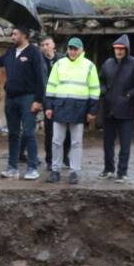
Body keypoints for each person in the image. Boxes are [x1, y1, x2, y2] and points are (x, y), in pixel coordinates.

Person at [0, 28, 45, 180]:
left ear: (25, 35)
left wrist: (38, 100)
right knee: (13, 134)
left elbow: (41, 78)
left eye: (15, 34)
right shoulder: (11, 52)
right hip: (11, 98)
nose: (12, 36)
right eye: (12, 34)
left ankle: (32, 168)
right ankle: (12, 168)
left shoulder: (34, 52)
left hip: (28, 98)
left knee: (29, 133)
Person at [44, 38, 100, 185]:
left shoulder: (89, 66)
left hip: (79, 109)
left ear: (81, 49)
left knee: (76, 142)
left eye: (75, 49)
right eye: (70, 48)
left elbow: (95, 90)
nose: (72, 51)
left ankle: (74, 172)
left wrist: (92, 111)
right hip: (60, 107)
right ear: (67, 49)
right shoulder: (59, 64)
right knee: (56, 141)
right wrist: (49, 107)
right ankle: (55, 170)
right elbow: (51, 87)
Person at [98, 34, 134, 182]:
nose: (119, 51)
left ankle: (122, 172)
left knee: (125, 143)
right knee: (107, 142)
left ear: (126, 50)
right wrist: (103, 91)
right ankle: (108, 169)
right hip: (109, 109)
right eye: (116, 49)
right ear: (113, 49)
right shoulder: (107, 64)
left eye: (121, 49)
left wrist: (130, 94)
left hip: (126, 110)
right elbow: (100, 80)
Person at [39, 36, 70, 170]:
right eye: (42, 45)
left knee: (67, 130)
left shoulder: (63, 59)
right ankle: (50, 159)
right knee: (50, 131)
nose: (45, 47)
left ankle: (65, 156)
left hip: (63, 98)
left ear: (53, 46)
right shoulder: (39, 60)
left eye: (47, 44)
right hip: (48, 99)